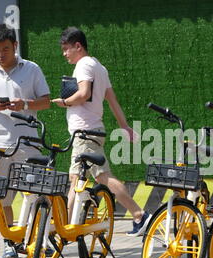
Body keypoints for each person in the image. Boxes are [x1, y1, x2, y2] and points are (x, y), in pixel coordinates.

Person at [51, 27, 151, 237]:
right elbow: (112, 100)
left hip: (85, 132)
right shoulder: (99, 67)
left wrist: (65, 102)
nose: (64, 54)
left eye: (66, 49)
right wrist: (124, 126)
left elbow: (84, 93)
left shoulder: (83, 65)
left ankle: (65, 231)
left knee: (83, 178)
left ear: (78, 46)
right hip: (94, 131)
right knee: (92, 177)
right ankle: (137, 215)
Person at [0, 24, 51, 258]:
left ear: (15, 45)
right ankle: (10, 243)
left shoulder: (32, 69)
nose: (0, 54)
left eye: (5, 49)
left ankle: (35, 240)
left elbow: (45, 101)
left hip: (28, 145)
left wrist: (24, 104)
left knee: (32, 195)